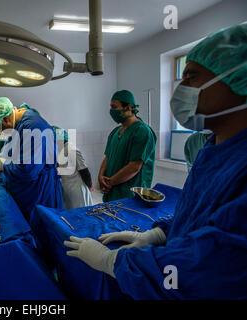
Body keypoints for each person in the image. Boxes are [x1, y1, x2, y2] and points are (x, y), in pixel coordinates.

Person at [64, 23, 247, 299]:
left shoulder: (239, 164)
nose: (180, 89)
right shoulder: (213, 148)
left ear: (238, 78)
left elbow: (210, 265)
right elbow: (196, 214)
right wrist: (159, 235)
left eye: (191, 77)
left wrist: (112, 262)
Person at [0, 97, 63, 221]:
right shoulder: (17, 126)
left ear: (5, 119)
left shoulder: (33, 127)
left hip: (38, 195)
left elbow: (27, 170)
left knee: (41, 231)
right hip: (27, 193)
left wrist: (3, 165)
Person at [98, 90, 156, 202]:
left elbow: (134, 167)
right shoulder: (115, 132)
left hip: (130, 195)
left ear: (129, 107)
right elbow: (107, 157)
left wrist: (109, 183)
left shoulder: (142, 131)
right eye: (111, 107)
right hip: (111, 192)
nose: (111, 111)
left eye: (114, 107)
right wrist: (100, 177)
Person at [52, 125, 94, 209]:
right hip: (66, 188)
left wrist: (89, 185)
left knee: (80, 213)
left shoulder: (71, 149)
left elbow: (84, 171)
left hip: (77, 188)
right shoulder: (58, 151)